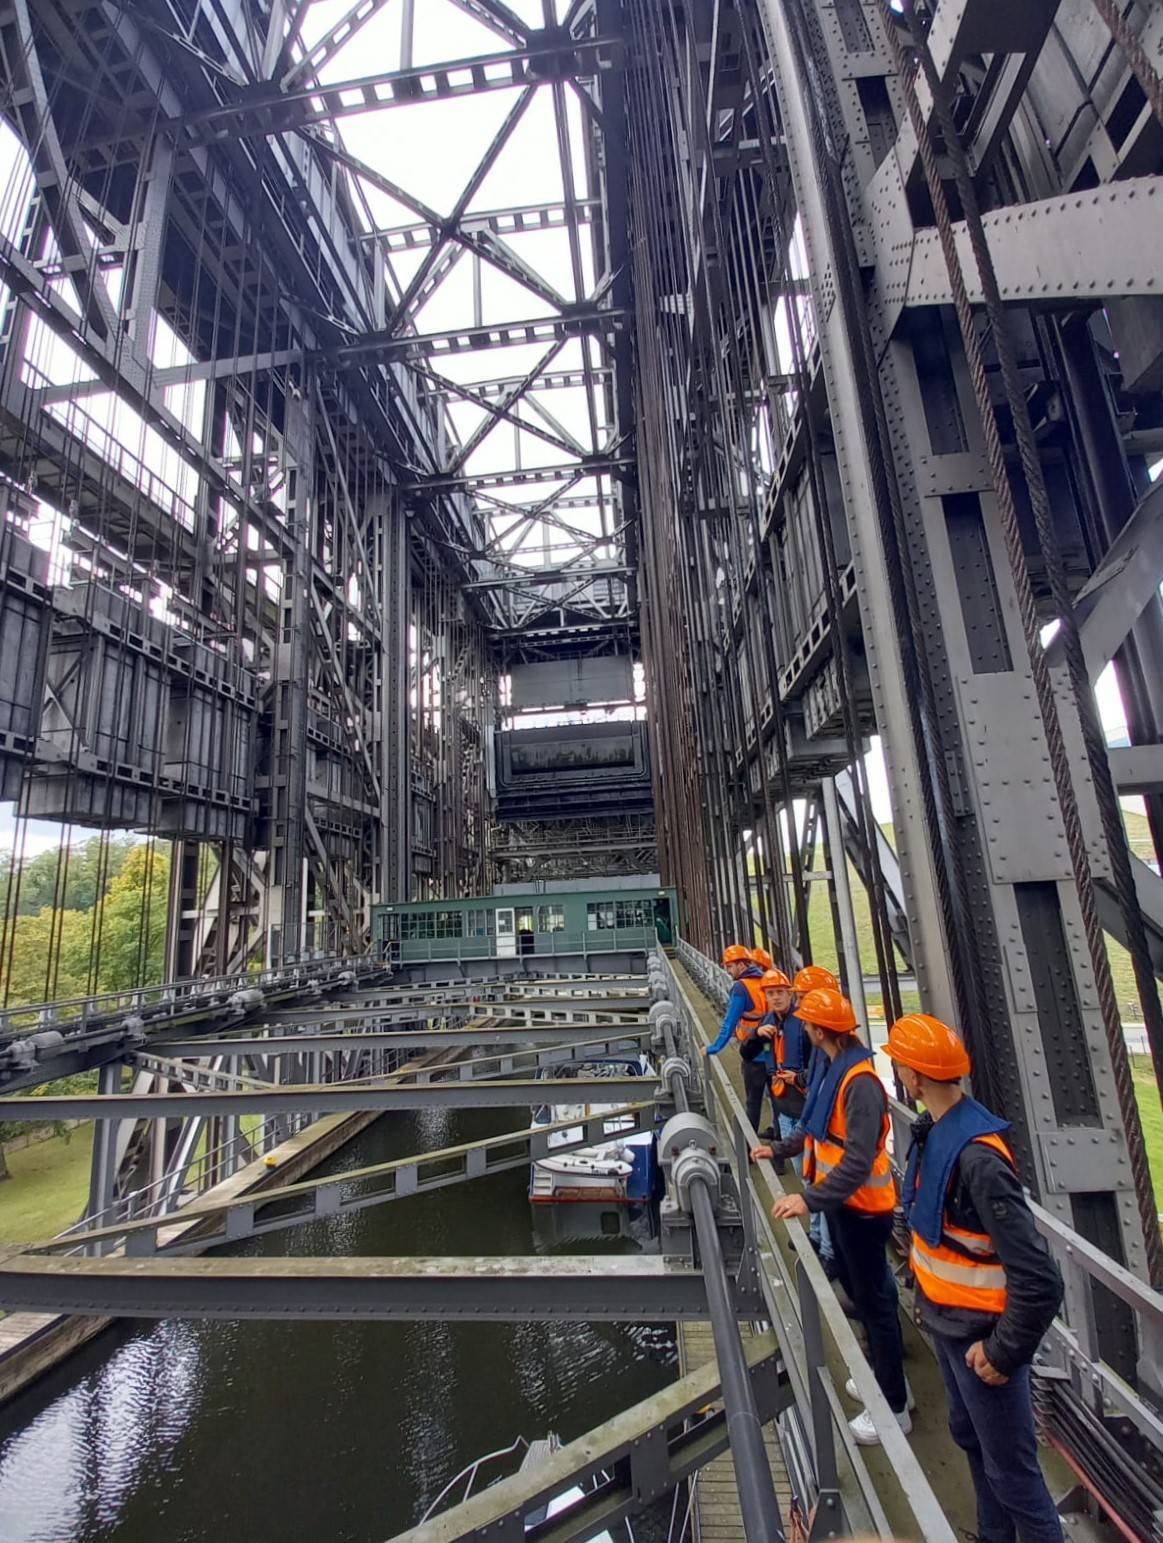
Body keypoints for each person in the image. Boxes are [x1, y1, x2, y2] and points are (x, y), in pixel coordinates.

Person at [887, 1013, 1064, 1543]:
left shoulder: (978, 1160)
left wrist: (1002, 1352)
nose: (898, 1073)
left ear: (915, 1077)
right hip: (948, 1324)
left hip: (979, 1342)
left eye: (901, 1066)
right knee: (968, 1435)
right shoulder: (939, 1131)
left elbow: (1040, 1280)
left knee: (1015, 1475)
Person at [751, 987, 911, 1444]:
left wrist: (809, 1199)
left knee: (876, 1303)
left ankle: (894, 1408)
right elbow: (816, 1128)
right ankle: (885, 1379)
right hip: (846, 1206)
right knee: (867, 1297)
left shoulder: (859, 1083)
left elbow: (858, 1161)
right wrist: (778, 1148)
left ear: (819, 1030)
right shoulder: (836, 1069)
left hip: (862, 1208)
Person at [792, 965, 840, 1267]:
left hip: (833, 1147)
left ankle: (830, 1254)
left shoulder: (841, 1058)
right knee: (812, 1184)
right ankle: (820, 1240)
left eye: (804, 998)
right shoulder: (823, 1049)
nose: (800, 1006)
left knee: (826, 1193)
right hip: (816, 1133)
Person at [705, 944, 769, 1133]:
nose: (728, 971)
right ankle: (779, 1150)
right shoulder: (766, 981)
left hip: (753, 1052)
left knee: (753, 1101)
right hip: (770, 1049)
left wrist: (714, 1047)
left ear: (741, 966)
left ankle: (750, 1147)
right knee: (775, 1101)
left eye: (729, 966)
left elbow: (729, 1022)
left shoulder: (741, 988)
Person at [739, 967, 794, 1146]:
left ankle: (777, 1153)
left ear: (789, 994)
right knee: (762, 1107)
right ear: (766, 997)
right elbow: (747, 1052)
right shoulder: (768, 1020)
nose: (776, 997)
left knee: (779, 1112)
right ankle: (756, 1149)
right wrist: (757, 1034)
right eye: (771, 993)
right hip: (772, 1074)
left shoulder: (801, 1022)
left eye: (779, 992)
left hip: (794, 1083)